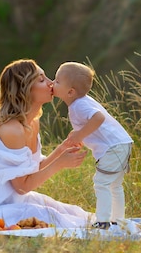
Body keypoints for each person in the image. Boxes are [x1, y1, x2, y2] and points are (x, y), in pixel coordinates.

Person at [0, 59, 93, 229]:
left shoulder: (32, 123)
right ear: (24, 90)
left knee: (71, 212)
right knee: (54, 217)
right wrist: (60, 164)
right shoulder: (11, 130)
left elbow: (32, 168)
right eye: (41, 80)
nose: (50, 84)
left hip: (14, 202)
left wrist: (61, 150)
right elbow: (22, 187)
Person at [52, 62, 133, 230]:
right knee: (114, 185)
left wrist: (80, 135)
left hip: (113, 148)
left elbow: (98, 118)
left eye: (57, 81)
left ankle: (103, 222)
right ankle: (118, 221)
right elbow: (93, 125)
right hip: (121, 144)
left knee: (101, 183)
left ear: (70, 91)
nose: (53, 83)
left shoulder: (79, 105)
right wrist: (81, 136)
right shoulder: (83, 102)